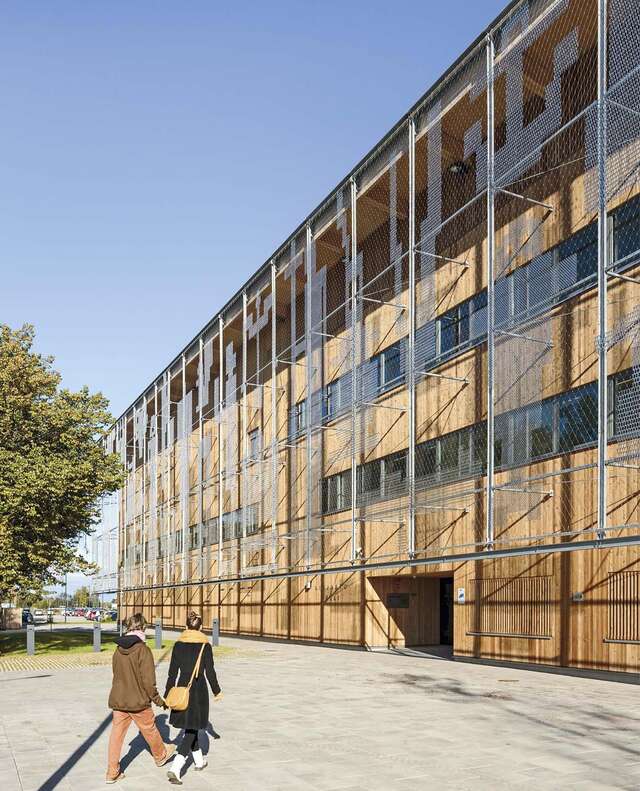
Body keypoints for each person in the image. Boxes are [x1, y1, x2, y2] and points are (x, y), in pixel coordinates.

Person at [106, 613, 176, 783]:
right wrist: (159, 701)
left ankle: (111, 772)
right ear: (142, 628)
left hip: (119, 700)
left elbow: (116, 674)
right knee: (149, 728)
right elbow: (149, 682)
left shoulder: (118, 649)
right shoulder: (143, 650)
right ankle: (160, 755)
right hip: (138, 701)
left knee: (116, 736)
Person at [164, 611, 222, 784]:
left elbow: (172, 672)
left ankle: (199, 761)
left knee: (192, 726)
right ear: (202, 628)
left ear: (186, 626)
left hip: (181, 688)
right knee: (191, 729)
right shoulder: (205, 645)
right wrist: (217, 691)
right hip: (198, 691)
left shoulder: (178, 645)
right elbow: (210, 671)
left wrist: (168, 693)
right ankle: (176, 767)